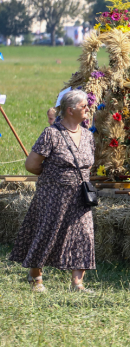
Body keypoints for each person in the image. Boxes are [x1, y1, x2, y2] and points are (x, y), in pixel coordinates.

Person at [10, 89, 96, 293]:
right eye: (83, 106)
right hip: (53, 195)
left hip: (81, 196)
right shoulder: (51, 134)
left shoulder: (87, 135)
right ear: (70, 110)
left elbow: (89, 164)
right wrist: (54, 177)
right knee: (46, 232)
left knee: (84, 235)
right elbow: (31, 164)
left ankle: (77, 284)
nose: (88, 109)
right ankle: (36, 277)